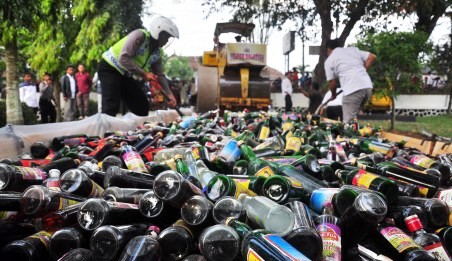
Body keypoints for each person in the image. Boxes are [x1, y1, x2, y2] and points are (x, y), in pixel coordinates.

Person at [98, 15, 178, 117]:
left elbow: (160, 75)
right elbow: (123, 58)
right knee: (111, 105)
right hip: (110, 68)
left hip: (125, 74)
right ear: (158, 32)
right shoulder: (140, 36)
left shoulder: (158, 53)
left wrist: (169, 94)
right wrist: (144, 74)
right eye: (166, 37)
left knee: (141, 106)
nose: (167, 41)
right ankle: (105, 132)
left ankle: (138, 131)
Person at [324, 39, 376, 122]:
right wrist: (363, 70)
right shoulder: (353, 50)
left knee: (347, 123)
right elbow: (372, 57)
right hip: (367, 88)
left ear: (328, 50)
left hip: (353, 90)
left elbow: (332, 82)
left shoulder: (329, 60)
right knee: (353, 117)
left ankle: (349, 132)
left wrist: (333, 95)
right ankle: (357, 130)